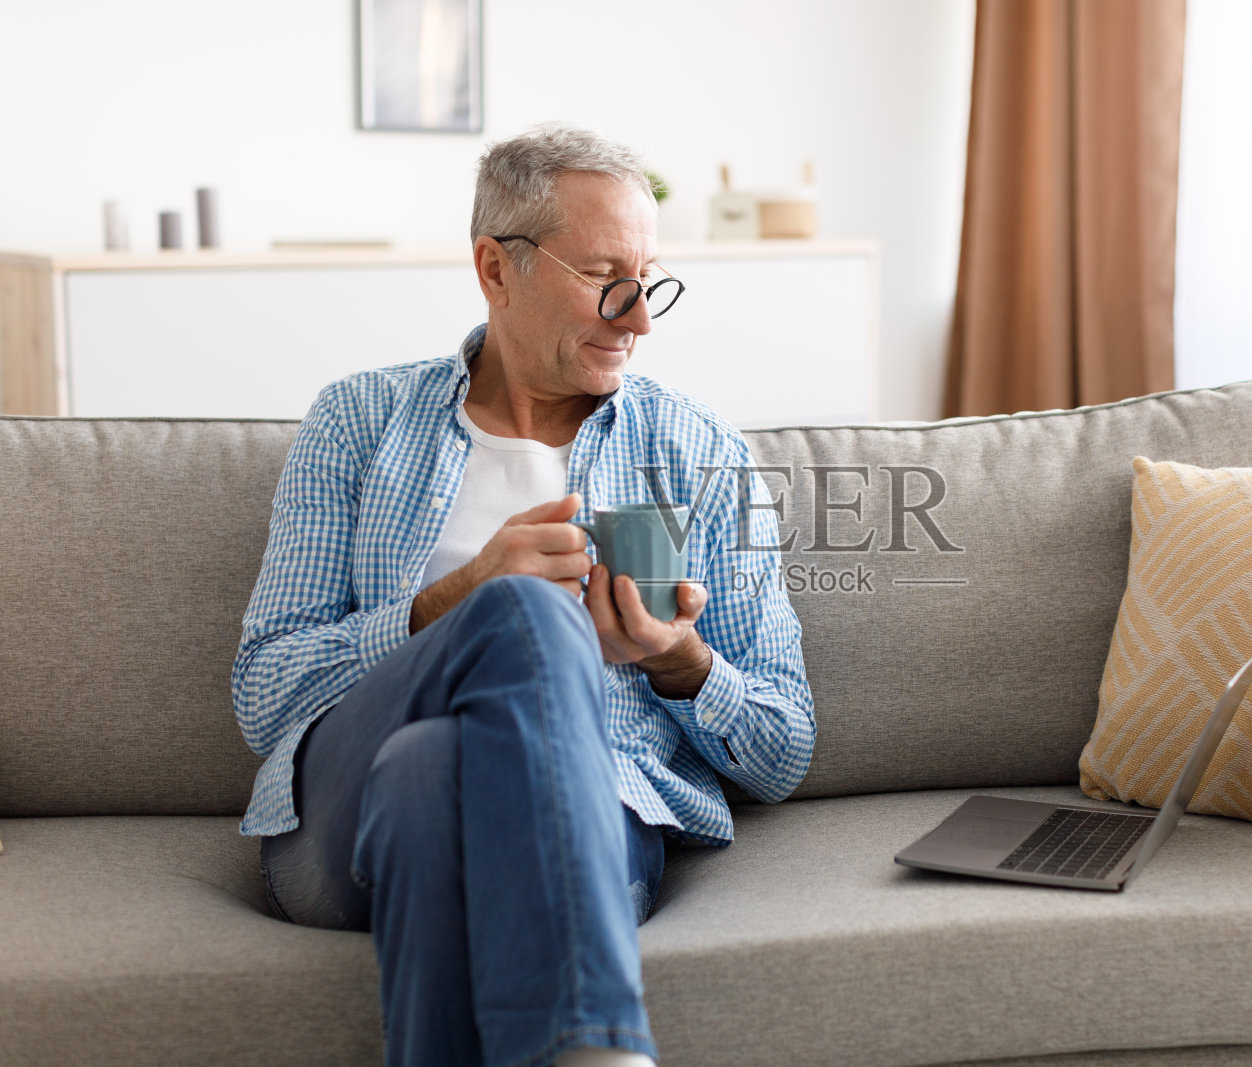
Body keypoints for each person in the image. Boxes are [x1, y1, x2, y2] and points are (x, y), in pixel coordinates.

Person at [232, 122, 815, 1067]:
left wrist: (679, 662)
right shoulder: (359, 423)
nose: (639, 319)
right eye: (605, 279)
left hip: (586, 813)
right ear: (496, 271)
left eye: (651, 280)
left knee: (435, 774)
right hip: (338, 822)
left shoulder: (700, 452)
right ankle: (597, 1045)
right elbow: (265, 694)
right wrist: (461, 596)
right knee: (520, 608)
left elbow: (785, 745)